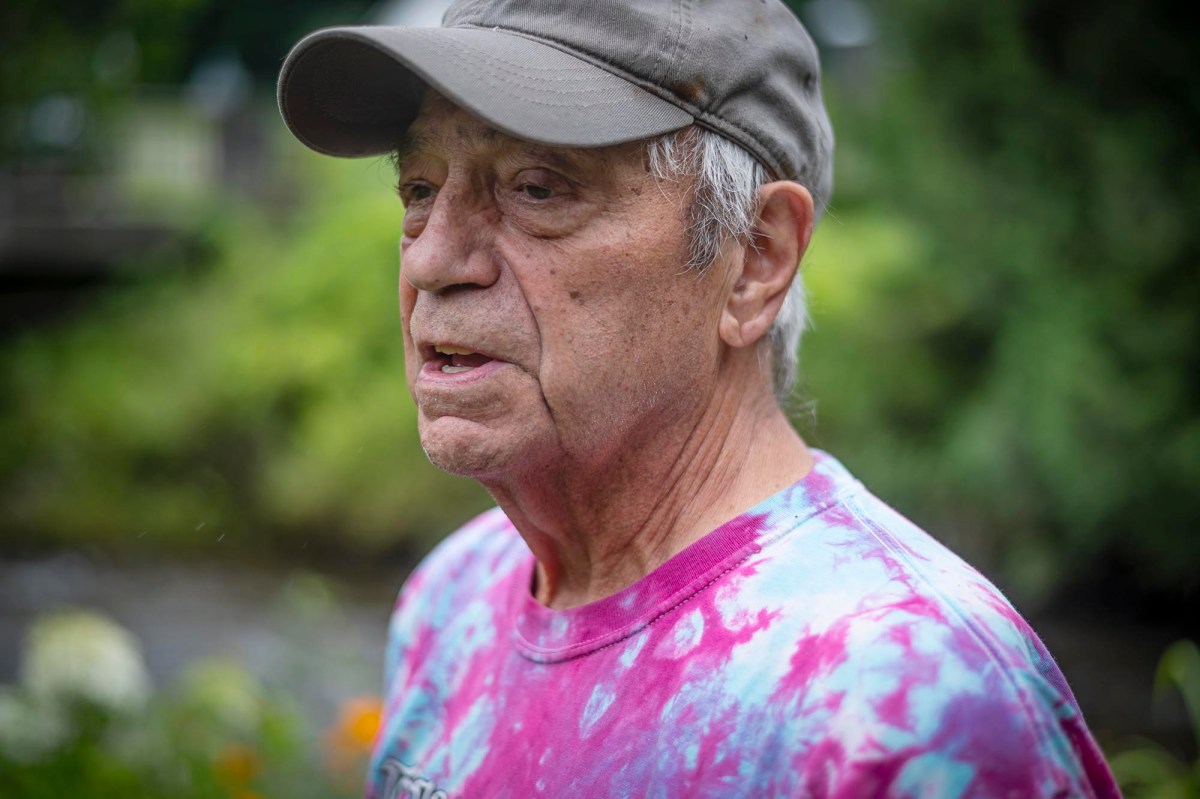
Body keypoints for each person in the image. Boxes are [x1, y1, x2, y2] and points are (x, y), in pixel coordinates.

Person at [278, 1, 1120, 796]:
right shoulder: (451, 603)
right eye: (420, 189)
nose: (432, 262)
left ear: (754, 259)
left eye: (537, 187)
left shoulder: (915, 703)